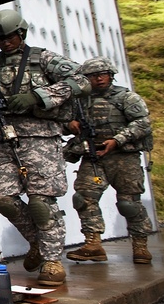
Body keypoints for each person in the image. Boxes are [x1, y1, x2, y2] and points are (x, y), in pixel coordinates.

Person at [0, 9, 89, 287]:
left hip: (41, 138)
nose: (4, 43)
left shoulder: (44, 59)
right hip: (4, 138)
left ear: (21, 33)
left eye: (9, 37)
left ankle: (52, 260)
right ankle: (37, 240)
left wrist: (38, 96)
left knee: (41, 201)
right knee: (1, 197)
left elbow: (81, 80)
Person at [63, 56, 154, 264]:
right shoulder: (79, 102)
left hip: (123, 157)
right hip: (93, 157)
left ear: (110, 75)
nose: (99, 79)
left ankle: (140, 246)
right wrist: (70, 125)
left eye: (102, 74)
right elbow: (61, 123)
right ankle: (93, 243)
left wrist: (117, 140)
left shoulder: (126, 98)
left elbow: (143, 123)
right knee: (83, 198)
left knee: (128, 203)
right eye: (93, 76)